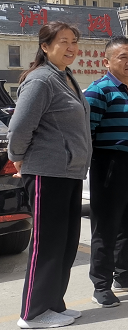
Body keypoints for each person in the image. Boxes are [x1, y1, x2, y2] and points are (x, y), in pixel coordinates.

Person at [9, 23, 90, 329]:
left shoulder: (65, 77)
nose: (71, 47)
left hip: (69, 172)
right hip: (47, 171)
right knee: (46, 244)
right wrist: (17, 157)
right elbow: (20, 126)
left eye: (74, 41)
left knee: (65, 243)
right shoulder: (41, 79)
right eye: (63, 41)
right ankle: (33, 313)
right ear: (45, 46)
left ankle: (54, 303)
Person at [84, 36, 128, 307]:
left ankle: (124, 274)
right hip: (110, 163)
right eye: (123, 57)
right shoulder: (98, 91)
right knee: (106, 226)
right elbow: (87, 133)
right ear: (107, 62)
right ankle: (101, 285)